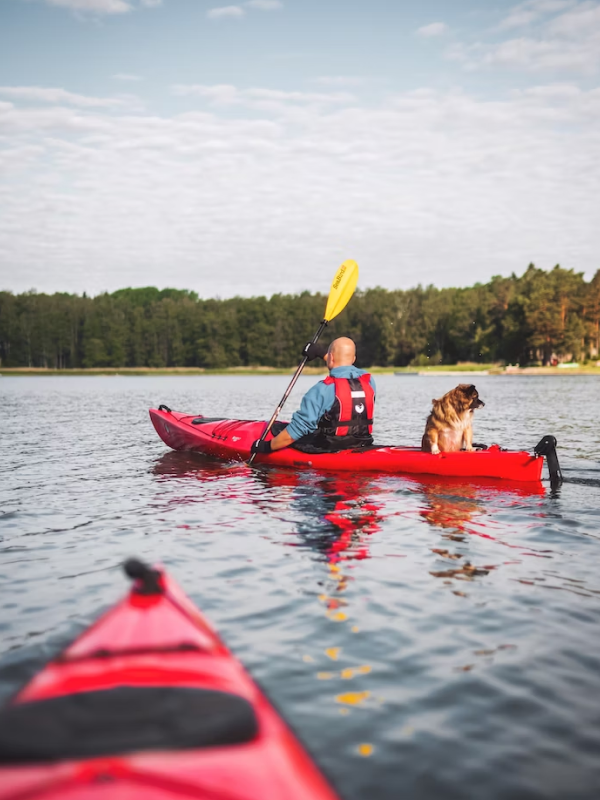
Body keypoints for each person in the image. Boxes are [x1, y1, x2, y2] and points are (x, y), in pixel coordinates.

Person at [251, 337, 376, 455]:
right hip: (363, 442)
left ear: (331, 357)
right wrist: (319, 353)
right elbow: (347, 368)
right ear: (353, 359)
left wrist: (266, 447)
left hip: (330, 447)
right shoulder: (369, 382)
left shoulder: (322, 389)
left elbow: (298, 429)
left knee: (278, 428)